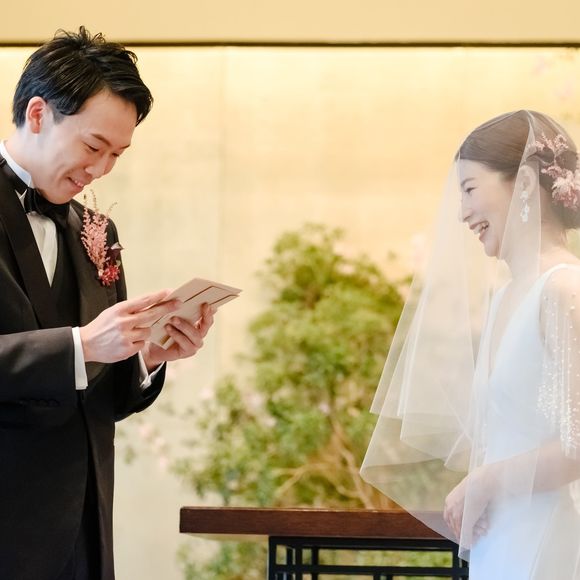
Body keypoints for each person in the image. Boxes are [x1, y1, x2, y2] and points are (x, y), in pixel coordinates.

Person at [0, 27, 215, 580]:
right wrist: (80, 345)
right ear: (39, 114)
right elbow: (77, 352)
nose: (100, 171)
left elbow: (102, 398)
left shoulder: (97, 229)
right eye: (93, 147)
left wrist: (148, 354)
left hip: (84, 529)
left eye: (117, 154)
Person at [361, 110, 580, 579]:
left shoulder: (565, 291)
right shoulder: (504, 298)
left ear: (524, 182)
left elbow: (578, 444)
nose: (462, 212)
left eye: (470, 189)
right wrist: (482, 485)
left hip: (551, 538)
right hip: (500, 539)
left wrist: (487, 480)